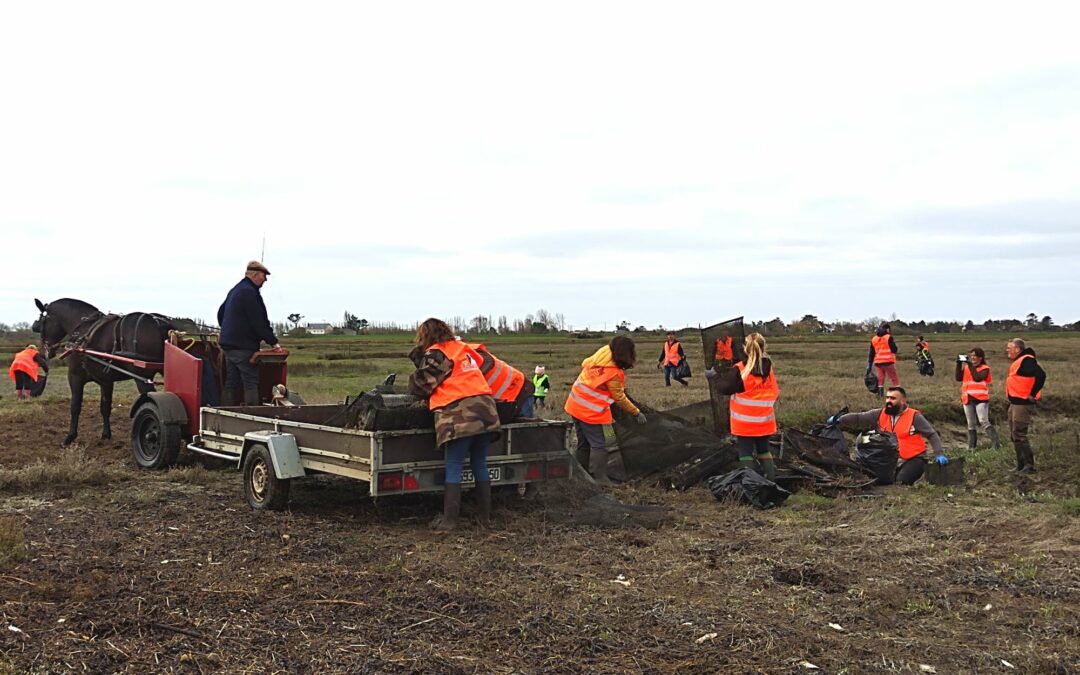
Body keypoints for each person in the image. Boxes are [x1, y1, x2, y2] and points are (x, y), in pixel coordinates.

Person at [409, 318, 501, 530]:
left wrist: (418, 362)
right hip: (486, 411)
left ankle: (450, 521)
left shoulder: (436, 353)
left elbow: (421, 385)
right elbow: (484, 364)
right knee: (480, 463)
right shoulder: (462, 348)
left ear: (425, 335)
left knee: (454, 465)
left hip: (459, 414)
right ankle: (484, 519)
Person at [565, 335, 647, 484]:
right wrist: (636, 412)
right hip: (588, 411)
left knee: (583, 443)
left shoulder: (601, 356)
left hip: (574, 404)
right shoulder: (613, 373)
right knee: (599, 444)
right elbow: (619, 397)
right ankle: (601, 478)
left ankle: (580, 475)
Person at [834, 386, 947, 485]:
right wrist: (839, 420)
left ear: (902, 401)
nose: (888, 401)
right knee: (871, 478)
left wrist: (938, 454)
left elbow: (932, 434)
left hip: (913, 458)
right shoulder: (880, 414)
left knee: (901, 481)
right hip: (888, 459)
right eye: (887, 398)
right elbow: (859, 418)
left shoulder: (914, 416)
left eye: (893, 398)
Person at [706, 333, 778, 480]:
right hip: (765, 420)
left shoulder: (740, 369)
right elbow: (775, 391)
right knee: (764, 450)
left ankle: (751, 484)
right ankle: (771, 482)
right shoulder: (768, 368)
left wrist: (714, 376)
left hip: (745, 423)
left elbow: (725, 388)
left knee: (745, 452)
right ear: (764, 347)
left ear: (745, 348)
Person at [217, 260, 282, 405]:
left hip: (229, 346)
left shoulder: (235, 290)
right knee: (251, 382)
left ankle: (224, 413)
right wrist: (273, 342)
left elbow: (221, 314)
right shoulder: (250, 293)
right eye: (264, 276)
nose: (265, 279)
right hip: (243, 348)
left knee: (231, 382)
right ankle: (251, 415)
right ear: (255, 275)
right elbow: (259, 321)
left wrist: (228, 331)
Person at [1005, 338, 1046, 474]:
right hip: (1015, 403)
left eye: (1009, 348)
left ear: (1017, 349)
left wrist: (1032, 394)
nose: (1007, 351)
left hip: (1022, 404)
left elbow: (1041, 375)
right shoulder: (1020, 361)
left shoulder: (1027, 360)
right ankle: (1020, 465)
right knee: (1014, 434)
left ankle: (1029, 466)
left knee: (1020, 434)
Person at [466, 342, 535, 418]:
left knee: (524, 428)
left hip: (519, 392)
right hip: (504, 403)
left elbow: (487, 362)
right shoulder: (460, 353)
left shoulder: (467, 354)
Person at [955, 348, 1000, 449]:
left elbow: (977, 377)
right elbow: (958, 378)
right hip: (967, 398)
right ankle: (972, 448)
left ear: (980, 358)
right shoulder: (967, 368)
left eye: (974, 356)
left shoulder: (985, 368)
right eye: (971, 356)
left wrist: (970, 365)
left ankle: (996, 444)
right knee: (971, 424)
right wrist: (958, 364)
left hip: (980, 399)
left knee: (983, 420)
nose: (972, 358)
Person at [867, 323, 899, 393]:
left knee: (880, 378)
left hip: (878, 362)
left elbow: (871, 353)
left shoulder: (874, 339)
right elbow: (894, 349)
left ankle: (880, 394)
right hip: (888, 362)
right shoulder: (888, 337)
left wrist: (869, 365)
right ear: (887, 329)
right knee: (894, 378)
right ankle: (898, 393)